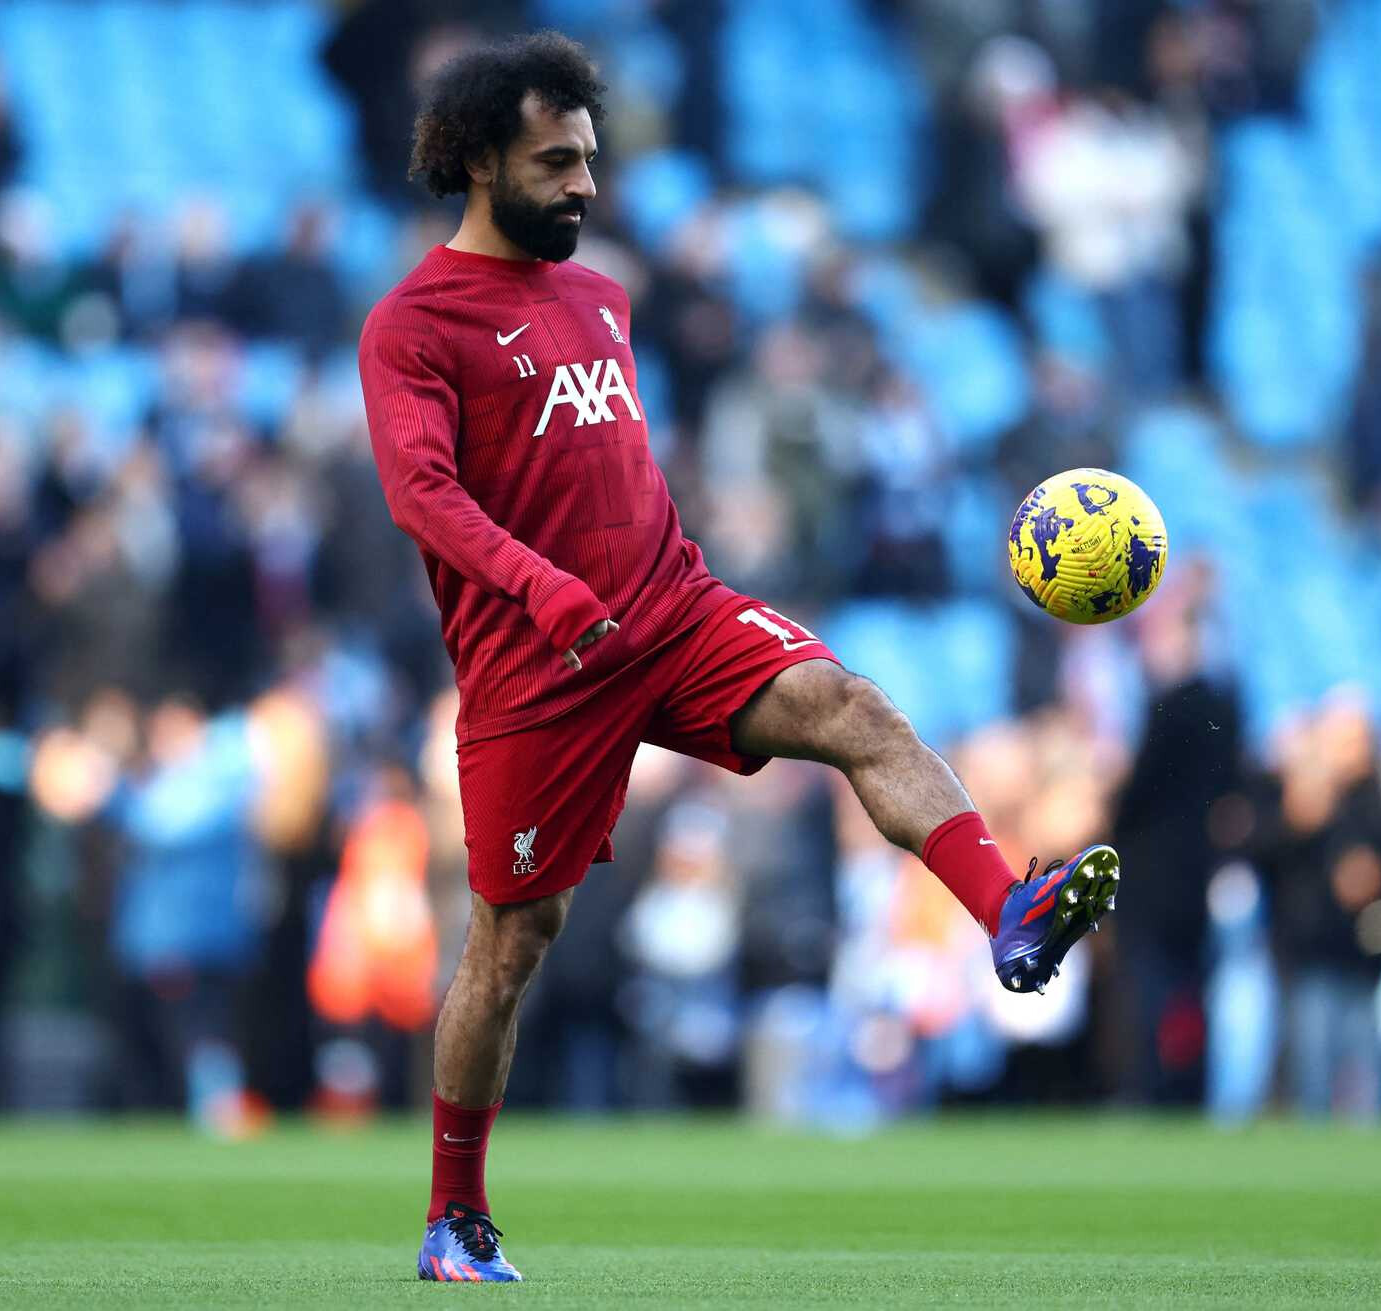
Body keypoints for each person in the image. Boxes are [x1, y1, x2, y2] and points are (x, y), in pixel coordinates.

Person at [356, 33, 1127, 1284]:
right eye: (555, 163)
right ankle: (455, 1214)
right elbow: (423, 499)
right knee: (511, 945)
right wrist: (546, 588)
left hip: (670, 609)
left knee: (852, 707)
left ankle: (1009, 914)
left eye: (591, 159)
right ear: (480, 160)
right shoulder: (410, 327)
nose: (585, 185)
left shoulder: (601, 295)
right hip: (538, 666)